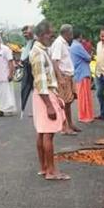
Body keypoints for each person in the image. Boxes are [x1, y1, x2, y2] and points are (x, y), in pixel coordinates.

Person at [29, 20, 69, 181]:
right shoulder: (38, 53)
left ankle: (44, 167)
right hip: (44, 95)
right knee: (48, 134)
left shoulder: (41, 50)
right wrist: (49, 105)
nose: (52, 38)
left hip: (42, 94)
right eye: (50, 35)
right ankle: (51, 171)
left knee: (42, 132)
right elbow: (40, 81)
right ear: (42, 35)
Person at [49, 24, 78, 134]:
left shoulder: (64, 43)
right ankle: (64, 127)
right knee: (63, 102)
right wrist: (60, 77)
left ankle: (70, 124)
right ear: (67, 33)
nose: (72, 36)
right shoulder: (59, 43)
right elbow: (54, 61)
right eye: (71, 34)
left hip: (68, 75)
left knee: (69, 102)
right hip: (63, 76)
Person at [0, 34, 18, 117]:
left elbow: (10, 62)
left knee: (7, 93)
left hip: (5, 76)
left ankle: (9, 110)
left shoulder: (5, 49)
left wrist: (11, 74)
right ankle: (1, 110)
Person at [70, 30, 94, 123]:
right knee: (85, 96)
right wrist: (90, 55)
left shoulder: (72, 46)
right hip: (83, 73)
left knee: (81, 95)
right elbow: (88, 58)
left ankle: (83, 115)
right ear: (79, 36)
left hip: (78, 73)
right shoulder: (77, 46)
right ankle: (85, 116)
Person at [19, 25, 36, 117]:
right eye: (24, 33)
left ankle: (37, 110)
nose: (25, 34)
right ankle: (35, 109)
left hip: (34, 70)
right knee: (31, 91)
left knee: (36, 90)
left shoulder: (35, 42)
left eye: (27, 32)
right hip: (27, 70)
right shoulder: (27, 43)